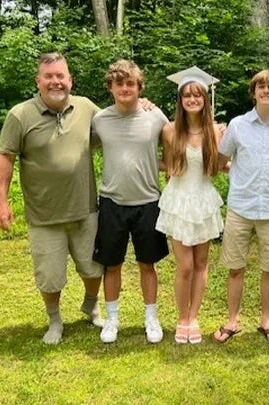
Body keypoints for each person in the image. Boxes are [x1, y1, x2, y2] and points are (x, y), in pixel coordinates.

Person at [0, 52, 104, 345]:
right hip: (44, 216)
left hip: (85, 209)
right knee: (50, 277)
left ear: (70, 80)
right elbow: (5, 158)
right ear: (38, 81)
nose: (56, 82)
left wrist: (142, 106)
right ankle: (55, 320)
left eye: (61, 76)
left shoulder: (86, 108)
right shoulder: (20, 115)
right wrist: (2, 203)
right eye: (49, 76)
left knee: (93, 267)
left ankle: (91, 304)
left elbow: (119, 125)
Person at [213, 69, 269, 344]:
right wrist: (236, 172)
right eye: (260, 87)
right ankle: (232, 321)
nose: (266, 91)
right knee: (235, 267)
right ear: (254, 93)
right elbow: (220, 160)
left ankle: (266, 320)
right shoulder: (238, 125)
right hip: (240, 206)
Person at [92, 59, 170, 344]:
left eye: (131, 84)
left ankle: (151, 318)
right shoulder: (99, 120)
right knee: (111, 265)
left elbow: (178, 142)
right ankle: (112, 319)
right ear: (111, 87)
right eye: (119, 83)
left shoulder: (155, 116)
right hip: (112, 202)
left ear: (139, 88)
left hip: (148, 201)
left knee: (147, 264)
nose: (125, 88)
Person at [156, 67, 224, 344]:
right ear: (181, 100)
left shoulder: (215, 131)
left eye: (197, 95)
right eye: (187, 95)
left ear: (205, 100)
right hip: (178, 200)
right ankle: (181, 317)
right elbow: (168, 165)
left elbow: (219, 166)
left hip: (204, 200)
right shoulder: (170, 131)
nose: (192, 100)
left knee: (201, 263)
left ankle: (194, 317)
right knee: (184, 266)